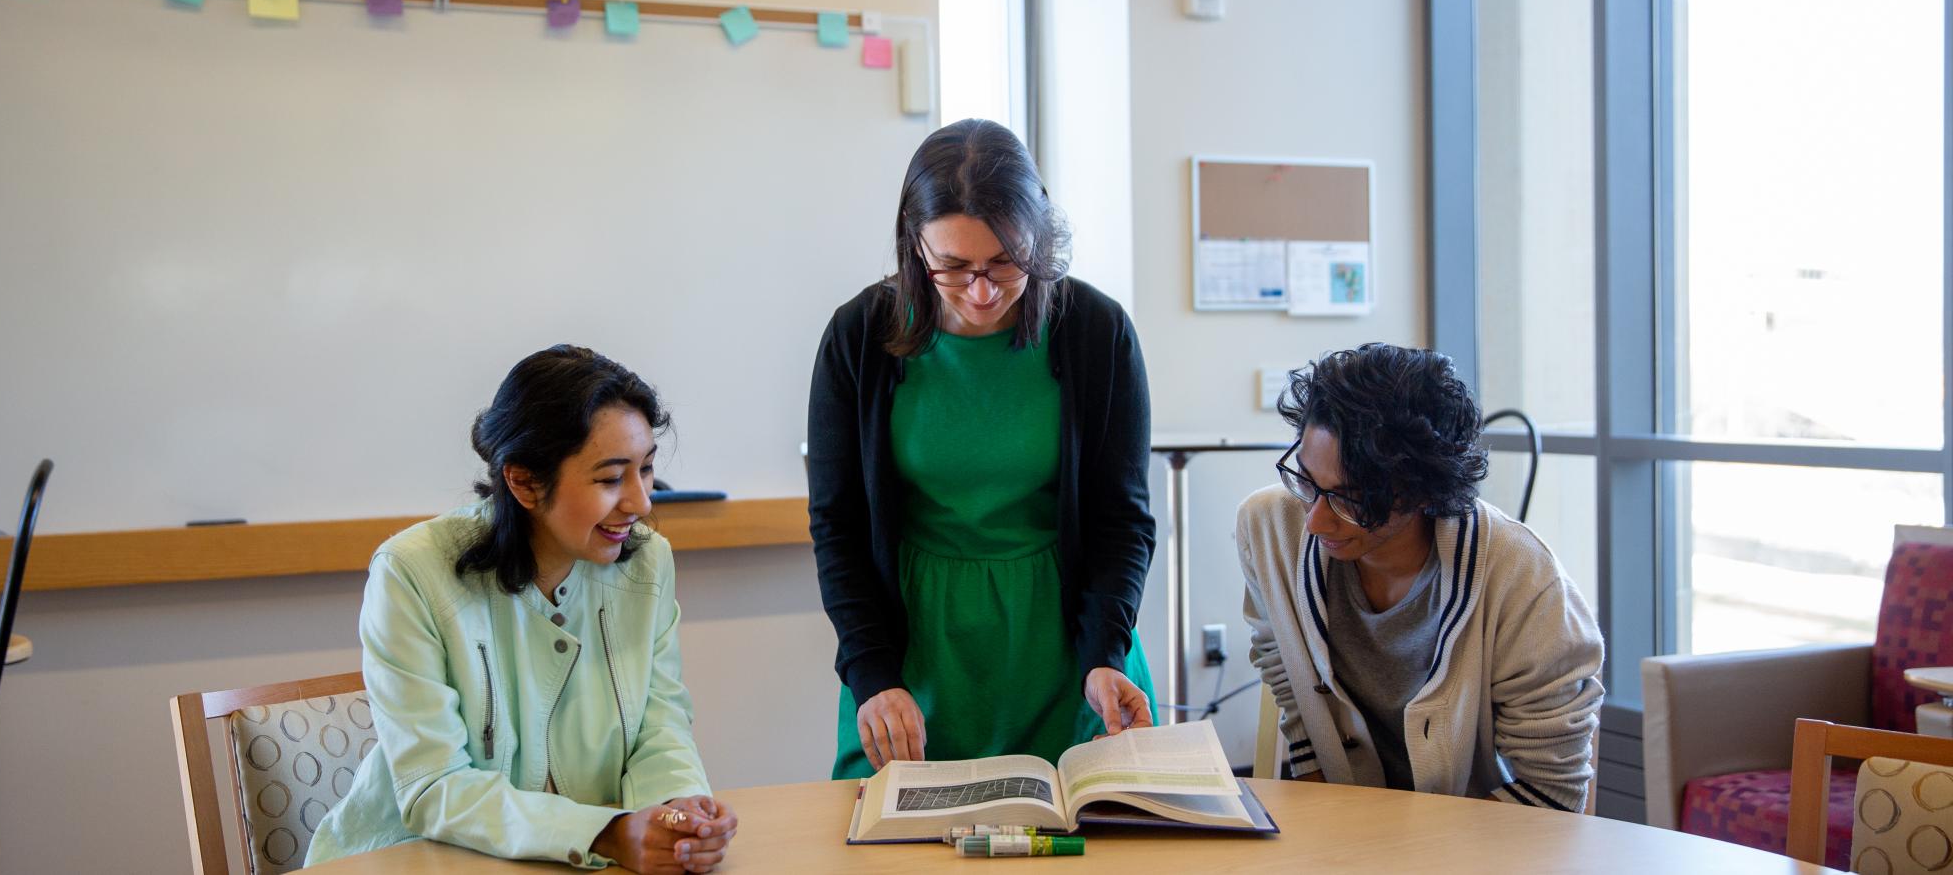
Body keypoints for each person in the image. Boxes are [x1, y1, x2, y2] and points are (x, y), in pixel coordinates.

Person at [808, 119, 1159, 778]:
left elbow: (1122, 520)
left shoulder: (1096, 332)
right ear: (915, 246)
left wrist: (1106, 655)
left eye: (1006, 264)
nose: (981, 292)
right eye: (953, 267)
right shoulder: (858, 337)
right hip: (914, 654)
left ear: (1041, 241)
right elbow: (839, 526)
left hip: (1070, 648)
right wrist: (872, 672)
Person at [308, 346, 737, 873]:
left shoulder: (647, 563)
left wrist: (677, 812)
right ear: (525, 482)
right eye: (609, 478)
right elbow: (434, 786)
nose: (641, 502)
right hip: (409, 861)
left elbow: (660, 724)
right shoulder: (412, 570)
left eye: (646, 470)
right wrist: (606, 834)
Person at [1238, 343, 1603, 811]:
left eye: (1350, 500)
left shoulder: (1524, 581)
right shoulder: (1270, 529)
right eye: (1306, 481)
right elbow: (1280, 658)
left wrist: (1406, 851)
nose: (1315, 521)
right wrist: (1328, 814)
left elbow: (1551, 790)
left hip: (1486, 841)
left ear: (1422, 489)